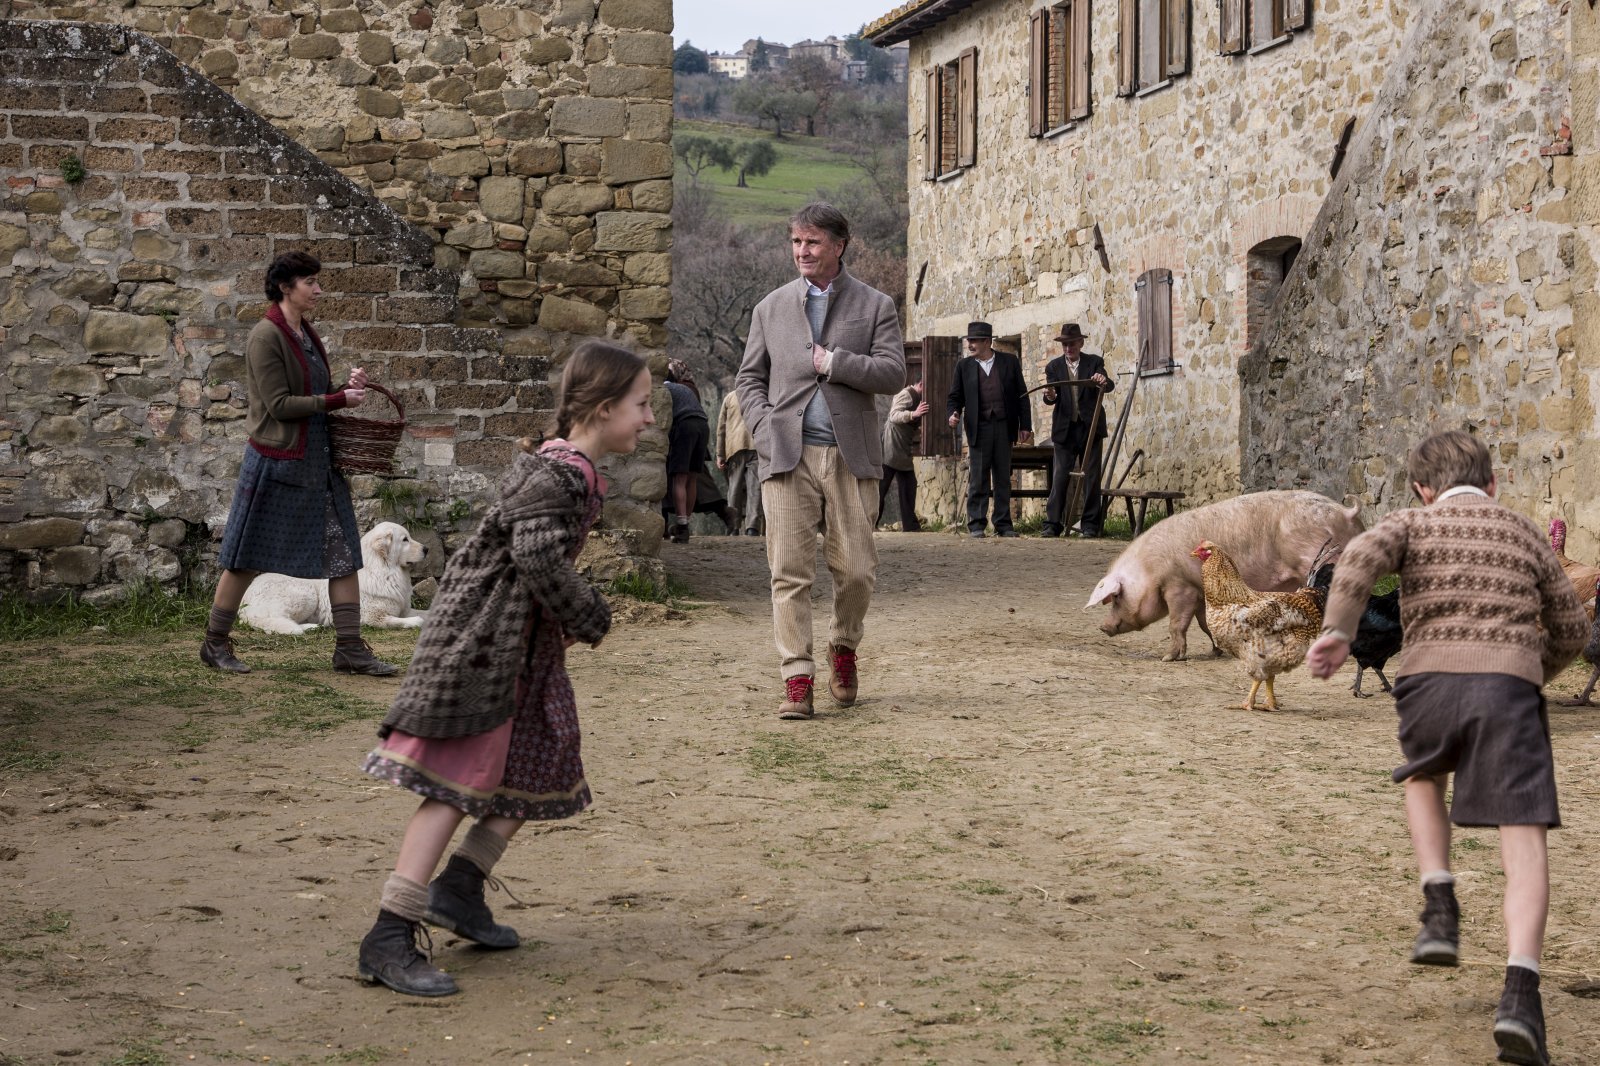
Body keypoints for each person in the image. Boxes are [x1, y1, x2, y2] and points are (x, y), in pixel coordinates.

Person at [357, 341, 653, 998]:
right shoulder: (554, 475)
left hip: (522, 648)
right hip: (484, 647)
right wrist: (591, 613)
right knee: (453, 784)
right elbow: (539, 562)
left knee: (543, 758)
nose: (649, 419)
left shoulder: (569, 470)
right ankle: (388, 932)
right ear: (603, 409)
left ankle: (459, 890)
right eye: (641, 405)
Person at [1306, 429, 1586, 1066]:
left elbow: (1355, 561)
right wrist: (1528, 668)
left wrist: (1338, 632)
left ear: (1422, 489)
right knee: (1524, 834)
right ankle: (1520, 993)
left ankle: (1439, 902)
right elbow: (1572, 624)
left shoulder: (1410, 522)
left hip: (1427, 683)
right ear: (1493, 483)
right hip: (1510, 690)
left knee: (1424, 775)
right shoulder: (1522, 532)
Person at [735, 201, 905, 720]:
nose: (801, 252)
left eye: (811, 243)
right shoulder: (771, 307)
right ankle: (797, 678)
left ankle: (844, 646)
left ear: (838, 245)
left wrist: (836, 363)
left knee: (856, 569)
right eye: (795, 243)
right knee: (788, 571)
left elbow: (893, 373)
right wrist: (765, 431)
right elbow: (749, 379)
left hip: (851, 455)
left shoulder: (875, 305)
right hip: (786, 456)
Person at [201, 250, 396, 677]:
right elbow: (279, 405)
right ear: (286, 287)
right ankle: (215, 643)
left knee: (343, 554)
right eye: (310, 281)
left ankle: (349, 648)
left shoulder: (306, 333)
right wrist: (335, 400)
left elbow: (317, 394)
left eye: (316, 281)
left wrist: (349, 389)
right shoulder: (265, 337)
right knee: (247, 557)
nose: (319, 289)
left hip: (317, 462)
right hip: (277, 462)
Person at [946, 322, 1031, 538]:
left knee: (1003, 476)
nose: (969, 344)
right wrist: (953, 413)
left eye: (974, 340)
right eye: (969, 340)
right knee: (978, 477)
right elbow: (955, 397)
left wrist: (1025, 425)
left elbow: (1022, 395)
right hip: (979, 427)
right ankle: (976, 524)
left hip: (1004, 425)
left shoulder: (1009, 362)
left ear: (987, 341)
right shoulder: (963, 367)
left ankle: (1003, 524)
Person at [1040, 323, 1114, 538]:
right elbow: (1050, 397)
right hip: (1065, 429)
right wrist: (1050, 395)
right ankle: (1052, 524)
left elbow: (1108, 386)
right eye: (1065, 344)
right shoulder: (1054, 367)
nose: (1068, 348)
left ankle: (1090, 525)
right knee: (1061, 475)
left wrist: (1102, 380)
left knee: (1091, 476)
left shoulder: (1094, 362)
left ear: (1080, 343)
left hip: (1090, 427)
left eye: (1072, 344)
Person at [663, 358, 710, 544]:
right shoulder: (684, 388)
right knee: (692, 478)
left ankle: (682, 526)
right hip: (702, 426)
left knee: (679, 478)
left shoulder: (665, 389)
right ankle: (685, 524)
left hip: (685, 426)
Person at [878, 378, 926, 532]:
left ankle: (910, 525)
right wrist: (914, 414)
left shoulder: (918, 397)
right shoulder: (906, 394)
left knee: (908, 485)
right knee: (882, 485)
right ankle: (870, 522)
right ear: (921, 384)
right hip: (892, 444)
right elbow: (894, 416)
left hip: (902, 446)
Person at [718, 388, 763, 535]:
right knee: (755, 488)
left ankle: (733, 526)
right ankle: (752, 527)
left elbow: (721, 428)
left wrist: (720, 454)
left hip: (734, 446)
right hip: (756, 445)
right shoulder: (760, 393)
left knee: (734, 488)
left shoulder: (730, 397)